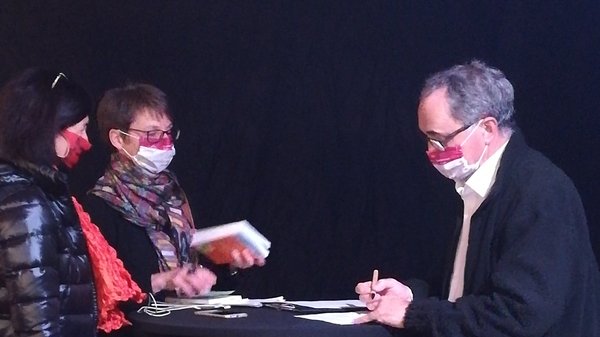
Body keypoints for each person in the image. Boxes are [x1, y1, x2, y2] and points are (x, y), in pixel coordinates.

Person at [355, 60, 600, 336]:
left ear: (486, 129)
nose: (431, 151)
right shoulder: (472, 187)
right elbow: (464, 288)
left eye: (439, 139)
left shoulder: (541, 193)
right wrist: (410, 294)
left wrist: (413, 314)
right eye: (426, 139)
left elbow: (516, 315)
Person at [81, 83, 265, 314]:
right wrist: (162, 281)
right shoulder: (99, 205)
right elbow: (102, 293)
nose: (165, 142)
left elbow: (200, 281)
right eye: (152, 134)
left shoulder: (175, 195)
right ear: (118, 139)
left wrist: (229, 264)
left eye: (168, 132)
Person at [0, 69, 98, 337]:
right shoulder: (25, 204)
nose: (87, 142)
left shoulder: (30, 191)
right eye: (82, 129)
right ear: (50, 128)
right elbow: (36, 321)